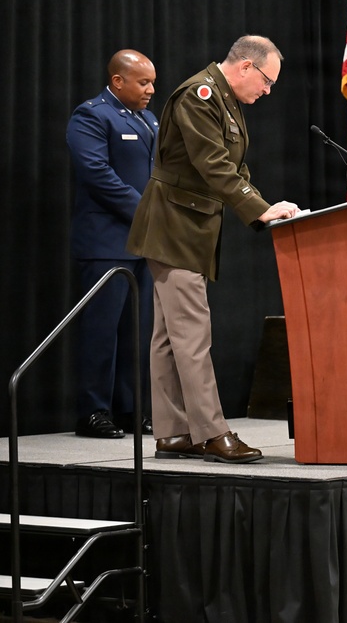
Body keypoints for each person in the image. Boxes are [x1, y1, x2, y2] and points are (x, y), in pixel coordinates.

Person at [126, 35, 300, 463]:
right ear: (245, 66)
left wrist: (266, 205)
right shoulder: (200, 95)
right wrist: (260, 210)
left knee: (168, 336)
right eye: (266, 81)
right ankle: (213, 433)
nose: (267, 90)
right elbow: (214, 164)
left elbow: (233, 165)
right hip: (174, 227)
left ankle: (172, 433)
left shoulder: (225, 99)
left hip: (187, 226)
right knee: (192, 335)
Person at [66, 50, 158, 438]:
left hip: (144, 244)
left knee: (138, 333)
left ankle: (131, 410)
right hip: (106, 242)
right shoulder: (91, 115)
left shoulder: (149, 119)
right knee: (101, 333)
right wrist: (147, 211)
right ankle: (94, 411)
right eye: (143, 82)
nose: (151, 90)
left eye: (153, 82)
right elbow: (96, 173)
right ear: (118, 81)